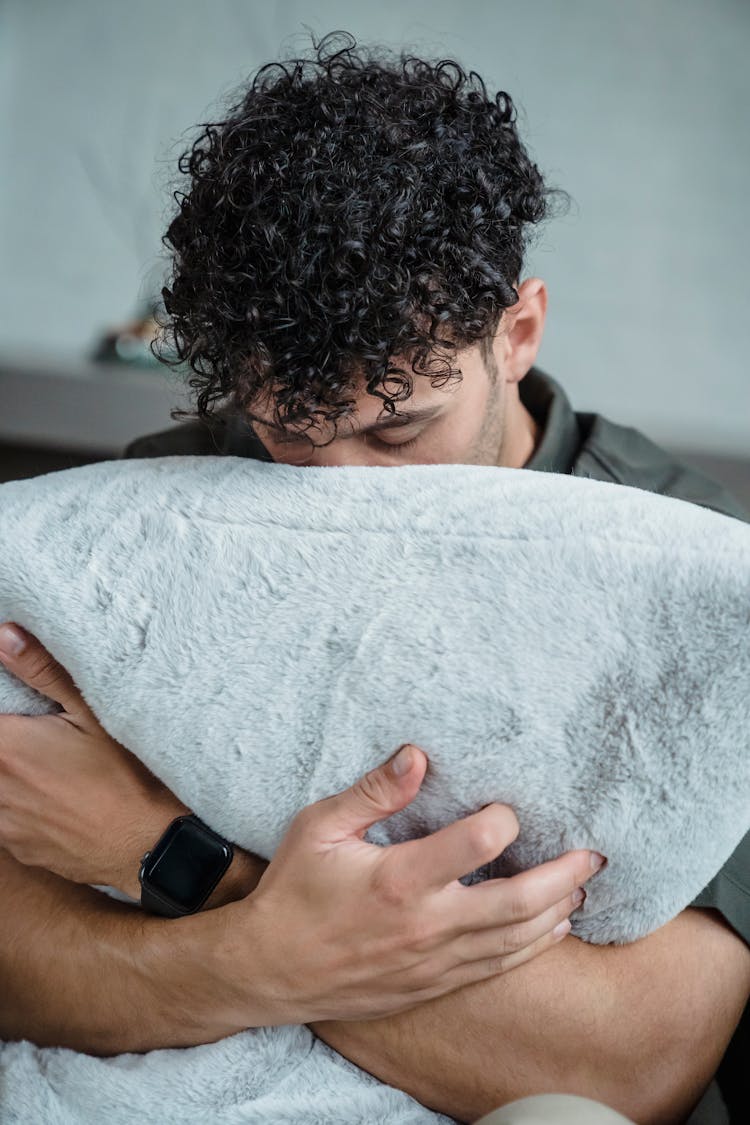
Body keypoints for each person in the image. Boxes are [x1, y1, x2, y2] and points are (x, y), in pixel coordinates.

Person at [0, 33, 747, 1125]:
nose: (340, 489)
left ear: (518, 332)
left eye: (398, 429)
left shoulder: (695, 572)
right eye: (293, 433)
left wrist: (172, 857)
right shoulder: (169, 506)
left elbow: (631, 1067)